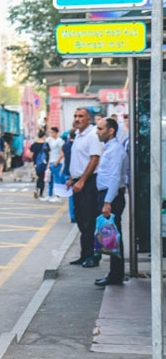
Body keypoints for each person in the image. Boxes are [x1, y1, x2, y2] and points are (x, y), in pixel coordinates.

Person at [67, 108, 104, 268]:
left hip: (89, 182)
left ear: (89, 119)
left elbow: (94, 160)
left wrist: (82, 180)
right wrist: (72, 179)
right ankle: (84, 254)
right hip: (78, 181)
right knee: (81, 219)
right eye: (75, 116)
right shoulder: (78, 135)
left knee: (89, 220)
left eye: (81, 116)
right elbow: (79, 160)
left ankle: (92, 256)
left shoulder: (92, 135)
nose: (77, 119)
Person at [94, 117, 127, 286]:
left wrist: (107, 202)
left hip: (111, 196)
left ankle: (116, 275)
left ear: (111, 130)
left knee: (114, 236)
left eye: (100, 129)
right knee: (111, 236)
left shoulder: (115, 150)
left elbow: (115, 177)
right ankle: (114, 273)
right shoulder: (110, 148)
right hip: (108, 195)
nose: (97, 132)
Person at [59, 129, 77, 223]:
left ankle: (73, 216)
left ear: (69, 136)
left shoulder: (65, 146)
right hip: (77, 173)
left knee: (71, 196)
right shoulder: (77, 145)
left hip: (67, 171)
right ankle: (78, 215)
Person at [45, 126, 65, 202]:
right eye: (50, 132)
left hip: (56, 162)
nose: (51, 134)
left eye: (52, 132)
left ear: (56, 133)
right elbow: (49, 152)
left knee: (57, 180)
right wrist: (49, 162)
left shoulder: (60, 141)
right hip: (51, 161)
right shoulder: (50, 140)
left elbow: (62, 153)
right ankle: (49, 195)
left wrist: (57, 161)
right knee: (50, 180)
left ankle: (58, 196)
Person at [30, 130, 50, 201]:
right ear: (44, 136)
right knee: (42, 178)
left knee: (39, 177)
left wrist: (33, 162)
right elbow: (49, 154)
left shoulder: (34, 144)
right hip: (44, 163)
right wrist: (48, 163)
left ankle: (37, 189)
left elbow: (30, 154)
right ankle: (40, 193)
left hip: (36, 163)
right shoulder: (46, 144)